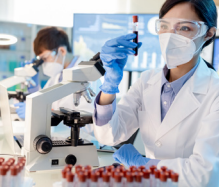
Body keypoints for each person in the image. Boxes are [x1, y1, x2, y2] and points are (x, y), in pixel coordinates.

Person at [93, 0, 219, 186]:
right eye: (164, 26)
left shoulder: (214, 92)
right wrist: (109, 86)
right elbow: (110, 136)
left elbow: (203, 174)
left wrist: (143, 165)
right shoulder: (146, 81)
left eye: (184, 28)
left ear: (208, 34)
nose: (170, 36)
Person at [15, 27, 101, 134]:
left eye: (45, 58)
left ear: (62, 51)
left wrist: (39, 115)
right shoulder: (57, 76)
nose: (44, 64)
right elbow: (43, 102)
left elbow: (89, 126)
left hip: (80, 142)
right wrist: (34, 87)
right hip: (57, 138)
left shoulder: (88, 76)